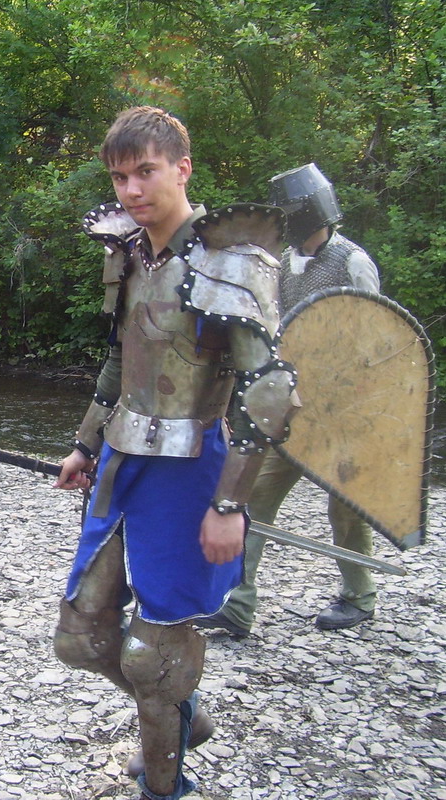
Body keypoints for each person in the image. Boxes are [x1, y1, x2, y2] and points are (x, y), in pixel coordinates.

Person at [52, 106, 299, 800]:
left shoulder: (232, 260)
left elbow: (267, 391)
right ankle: (184, 712)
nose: (131, 190)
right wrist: (84, 442)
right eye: (119, 177)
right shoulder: (127, 252)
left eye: (146, 172)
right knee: (80, 637)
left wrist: (230, 505)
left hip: (192, 467)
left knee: (153, 650)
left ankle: (165, 786)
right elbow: (119, 361)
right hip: (121, 460)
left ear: (182, 168)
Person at [195, 163, 381, 637]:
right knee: (252, 497)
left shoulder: (351, 262)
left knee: (346, 509)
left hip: (342, 411)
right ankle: (238, 605)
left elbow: (373, 342)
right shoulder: (282, 263)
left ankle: (359, 596)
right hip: (289, 407)